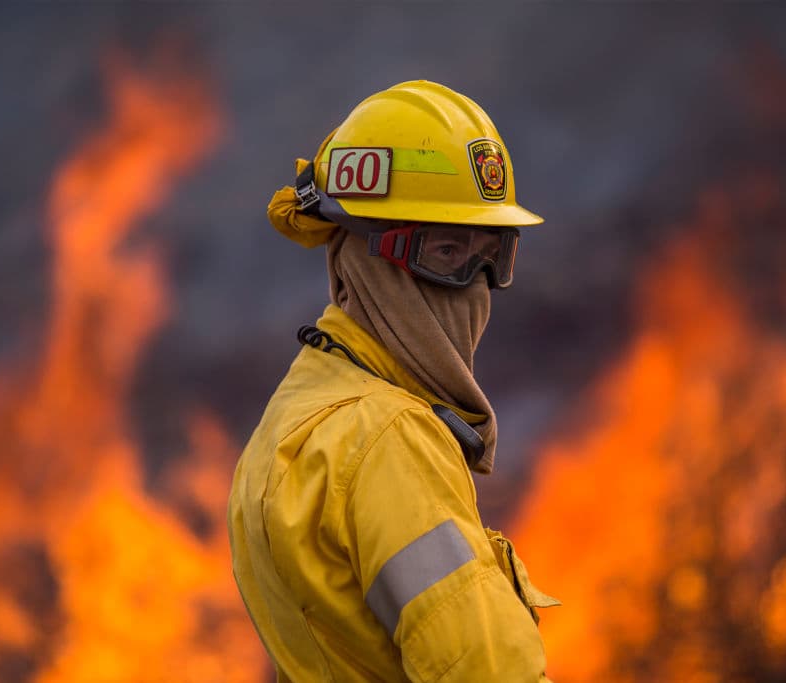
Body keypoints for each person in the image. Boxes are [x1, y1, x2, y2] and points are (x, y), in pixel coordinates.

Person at [228, 80, 559, 682]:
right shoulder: (387, 439)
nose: (476, 284)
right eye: (447, 251)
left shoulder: (292, 419)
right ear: (358, 255)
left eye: (493, 254)